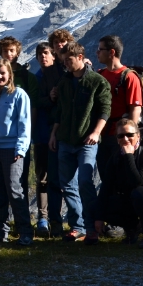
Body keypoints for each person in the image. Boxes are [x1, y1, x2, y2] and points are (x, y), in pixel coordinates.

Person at [48, 42, 111, 245]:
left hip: (87, 141)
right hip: (65, 140)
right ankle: (77, 226)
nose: (66, 64)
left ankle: (92, 228)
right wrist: (54, 134)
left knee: (85, 182)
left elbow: (105, 109)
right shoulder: (64, 82)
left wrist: (96, 132)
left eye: (69, 60)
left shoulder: (97, 81)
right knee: (67, 185)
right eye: (64, 61)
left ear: (81, 57)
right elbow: (60, 111)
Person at [0, 59, 33, 246]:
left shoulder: (19, 94)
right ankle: (0, 231)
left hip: (12, 150)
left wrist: (21, 148)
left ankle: (25, 231)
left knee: (14, 189)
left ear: (10, 74)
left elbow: (24, 124)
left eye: (3, 73)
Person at [95, 119, 143, 249]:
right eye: (121, 136)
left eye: (130, 135)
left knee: (139, 192)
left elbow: (136, 181)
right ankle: (132, 228)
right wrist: (99, 217)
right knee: (96, 205)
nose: (125, 138)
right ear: (117, 139)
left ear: (138, 136)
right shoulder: (115, 158)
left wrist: (128, 155)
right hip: (131, 200)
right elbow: (105, 188)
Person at [96, 35, 143, 238]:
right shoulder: (99, 74)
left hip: (119, 138)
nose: (97, 53)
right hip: (102, 137)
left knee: (123, 180)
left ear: (112, 52)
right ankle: (114, 221)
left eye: (100, 49)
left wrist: (129, 140)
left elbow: (135, 111)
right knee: (107, 178)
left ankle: (128, 223)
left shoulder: (129, 77)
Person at [0, 37, 39, 234]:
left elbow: (30, 112)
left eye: (12, 50)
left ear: (18, 52)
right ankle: (1, 227)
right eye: (5, 51)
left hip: (18, 143)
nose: (9, 54)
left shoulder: (26, 80)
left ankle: (23, 227)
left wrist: (25, 141)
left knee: (17, 186)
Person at [34, 42, 69, 238]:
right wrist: (49, 98)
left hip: (60, 134)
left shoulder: (63, 74)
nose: (43, 57)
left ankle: (63, 218)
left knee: (61, 177)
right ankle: (43, 218)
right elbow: (35, 102)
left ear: (54, 55)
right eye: (40, 54)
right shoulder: (36, 78)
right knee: (43, 177)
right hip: (41, 134)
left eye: (46, 53)